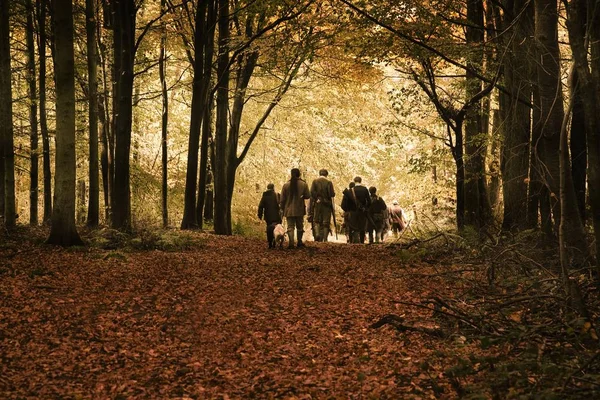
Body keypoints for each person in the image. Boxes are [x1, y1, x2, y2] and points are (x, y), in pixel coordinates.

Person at [280, 168, 311, 249]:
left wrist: (282, 209)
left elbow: (282, 199)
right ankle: (299, 242)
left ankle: (291, 243)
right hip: (299, 209)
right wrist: (302, 196)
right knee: (300, 226)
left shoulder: (286, 185)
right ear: (299, 174)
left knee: (290, 226)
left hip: (288, 209)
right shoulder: (303, 184)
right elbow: (308, 195)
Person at [309, 169, 335, 242]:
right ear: (326, 174)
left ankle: (317, 234)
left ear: (319, 174)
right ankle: (325, 239)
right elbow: (332, 194)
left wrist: (316, 198)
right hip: (327, 204)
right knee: (326, 222)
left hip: (318, 203)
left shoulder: (315, 181)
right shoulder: (329, 182)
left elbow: (311, 192)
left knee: (316, 220)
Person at [347, 176, 371, 243]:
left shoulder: (351, 190)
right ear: (361, 181)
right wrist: (366, 208)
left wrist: (349, 209)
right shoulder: (365, 189)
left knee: (353, 226)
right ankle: (362, 241)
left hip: (353, 211)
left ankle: (355, 241)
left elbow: (347, 202)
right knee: (362, 226)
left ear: (354, 181)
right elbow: (369, 201)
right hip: (362, 210)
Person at [258, 183, 282, 249]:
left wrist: (260, 215)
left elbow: (260, 206)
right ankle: (274, 242)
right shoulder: (277, 195)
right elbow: (281, 205)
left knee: (269, 229)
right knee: (276, 229)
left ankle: (270, 243)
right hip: (276, 216)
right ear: (273, 188)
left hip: (268, 216)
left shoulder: (264, 196)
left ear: (267, 188)